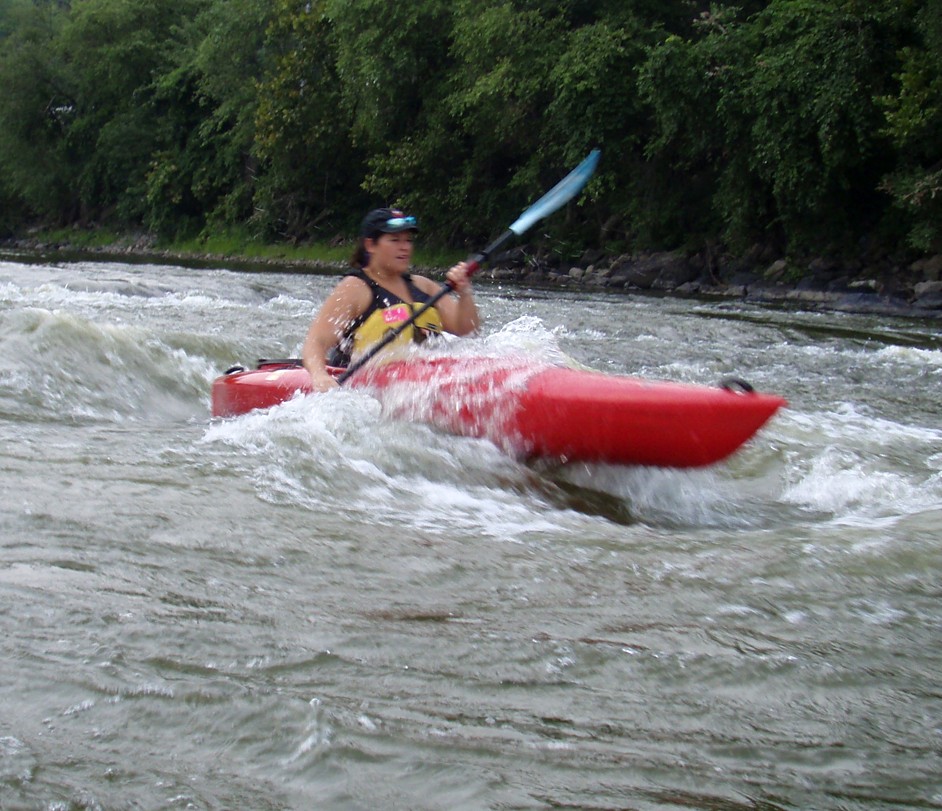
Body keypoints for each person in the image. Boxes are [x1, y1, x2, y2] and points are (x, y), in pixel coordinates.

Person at [302, 208, 480, 392]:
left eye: (408, 240)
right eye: (395, 240)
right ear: (370, 245)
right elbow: (316, 342)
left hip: (422, 381)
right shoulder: (354, 288)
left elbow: (467, 330)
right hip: (364, 385)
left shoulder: (423, 286)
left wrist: (464, 292)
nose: (405, 247)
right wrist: (319, 375)